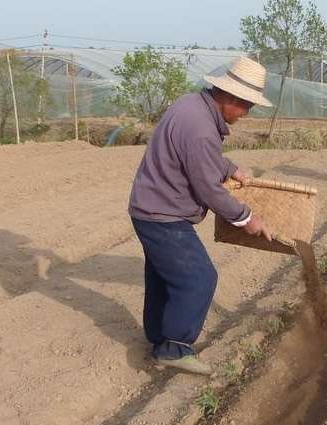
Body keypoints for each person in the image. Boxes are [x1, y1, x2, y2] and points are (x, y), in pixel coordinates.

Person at [128, 57, 273, 375]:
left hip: (149, 206)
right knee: (199, 278)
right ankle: (175, 347)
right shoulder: (201, 129)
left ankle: (158, 338)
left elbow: (200, 158)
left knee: (164, 277)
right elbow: (209, 188)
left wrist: (230, 167)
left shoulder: (191, 104)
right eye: (247, 107)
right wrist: (247, 218)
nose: (246, 114)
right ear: (232, 98)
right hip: (162, 213)